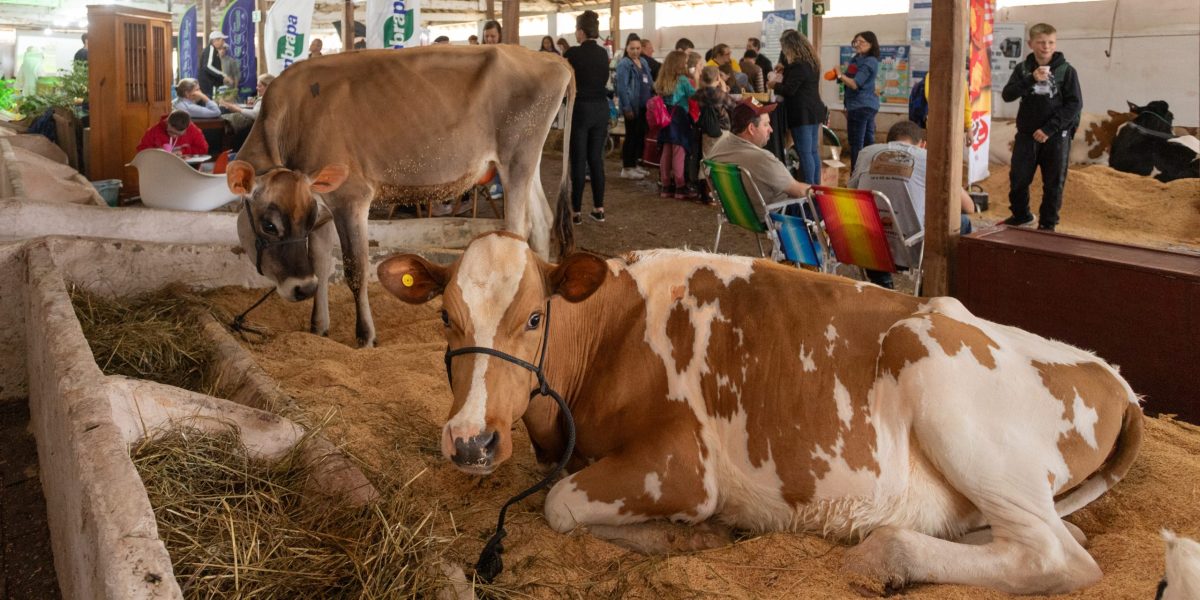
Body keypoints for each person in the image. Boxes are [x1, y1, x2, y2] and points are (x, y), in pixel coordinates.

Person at [849, 120, 977, 289]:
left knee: (874, 220)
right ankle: (931, 287)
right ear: (922, 144)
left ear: (889, 141)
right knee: (964, 222)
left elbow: (851, 192)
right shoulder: (928, 158)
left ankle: (881, 283)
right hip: (912, 251)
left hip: (870, 249)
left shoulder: (867, 153)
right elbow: (969, 207)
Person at [1001, 22, 1082, 232]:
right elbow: (1008, 95)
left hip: (1055, 136)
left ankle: (1048, 223)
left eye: (1050, 42)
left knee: (1054, 183)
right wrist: (1030, 79)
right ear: (1031, 44)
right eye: (1041, 42)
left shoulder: (1067, 70)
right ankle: (1022, 215)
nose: (1046, 47)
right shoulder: (1023, 69)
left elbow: (1075, 104)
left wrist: (1049, 129)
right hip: (1027, 135)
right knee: (1018, 179)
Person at [706, 98, 810, 205]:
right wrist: (818, 191)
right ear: (751, 129)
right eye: (766, 124)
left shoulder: (718, 146)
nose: (771, 129)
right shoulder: (763, 159)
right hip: (771, 215)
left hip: (736, 212)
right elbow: (799, 191)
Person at [564, 10, 610, 224]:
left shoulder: (572, 54)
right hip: (601, 109)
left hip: (581, 108)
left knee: (578, 160)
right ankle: (599, 209)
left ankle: (576, 212)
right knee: (596, 160)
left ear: (581, 32)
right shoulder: (603, 54)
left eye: (576, 30)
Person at [770, 29, 826, 186]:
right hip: (814, 111)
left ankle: (808, 188)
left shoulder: (798, 66)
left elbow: (789, 90)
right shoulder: (812, 62)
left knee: (805, 153)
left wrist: (773, 84)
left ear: (790, 47)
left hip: (802, 113)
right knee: (813, 152)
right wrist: (785, 69)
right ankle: (816, 187)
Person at [654, 50, 697, 200]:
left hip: (664, 117)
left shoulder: (662, 78)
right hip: (678, 118)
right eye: (685, 63)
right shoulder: (683, 80)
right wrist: (696, 79)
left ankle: (666, 185)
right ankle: (680, 186)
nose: (686, 65)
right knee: (679, 152)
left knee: (666, 152)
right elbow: (695, 95)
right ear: (679, 64)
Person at [835, 30, 880, 170]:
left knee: (857, 143)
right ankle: (867, 173)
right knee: (867, 141)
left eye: (862, 42)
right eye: (856, 41)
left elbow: (855, 84)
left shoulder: (869, 61)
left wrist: (840, 75)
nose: (858, 44)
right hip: (860, 105)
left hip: (861, 106)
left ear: (871, 44)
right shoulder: (856, 59)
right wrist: (838, 76)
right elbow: (848, 77)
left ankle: (856, 176)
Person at [615, 34, 653, 180]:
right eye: (632, 48)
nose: (635, 51)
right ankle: (627, 167)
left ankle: (635, 164)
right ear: (627, 48)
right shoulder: (624, 64)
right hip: (632, 106)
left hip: (645, 106)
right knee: (631, 136)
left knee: (639, 136)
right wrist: (626, 107)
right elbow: (622, 88)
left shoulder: (643, 61)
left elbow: (649, 81)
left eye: (638, 48)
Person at [694, 66, 736, 155]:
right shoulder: (719, 94)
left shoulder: (698, 93)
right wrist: (724, 91)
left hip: (705, 131)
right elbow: (733, 106)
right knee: (721, 157)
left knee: (707, 157)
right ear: (718, 78)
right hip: (721, 131)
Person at [137, 110, 209, 155]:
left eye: (178, 134)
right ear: (167, 122)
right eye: (170, 132)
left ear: (187, 128)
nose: (174, 136)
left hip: (185, 168)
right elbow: (141, 150)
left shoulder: (193, 130)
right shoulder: (154, 130)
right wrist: (157, 151)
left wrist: (183, 151)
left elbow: (203, 149)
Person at [198, 31, 227, 97]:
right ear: (215, 41)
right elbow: (208, 66)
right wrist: (223, 75)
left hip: (210, 84)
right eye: (222, 40)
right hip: (208, 85)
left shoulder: (213, 50)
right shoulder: (211, 49)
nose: (223, 42)